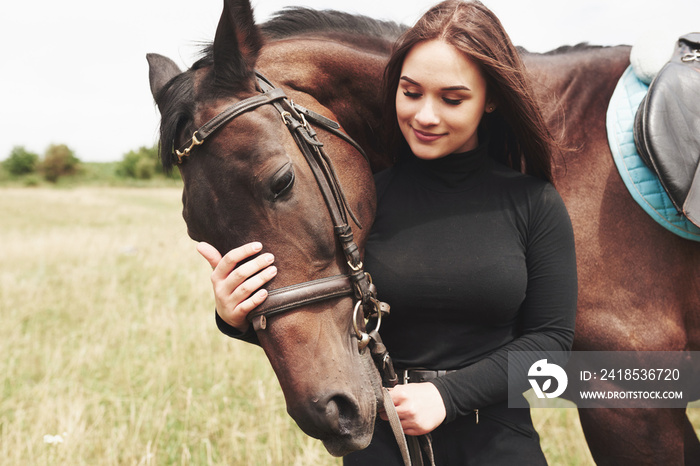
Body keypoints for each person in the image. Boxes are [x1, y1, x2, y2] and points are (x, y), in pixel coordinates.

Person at [197, 1, 578, 464]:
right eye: (411, 92)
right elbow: (322, 316)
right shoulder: (360, 204)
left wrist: (447, 397)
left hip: (498, 444)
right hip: (383, 446)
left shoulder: (534, 204)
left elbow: (550, 344)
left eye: (452, 99)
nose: (425, 115)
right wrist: (234, 317)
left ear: (491, 99)